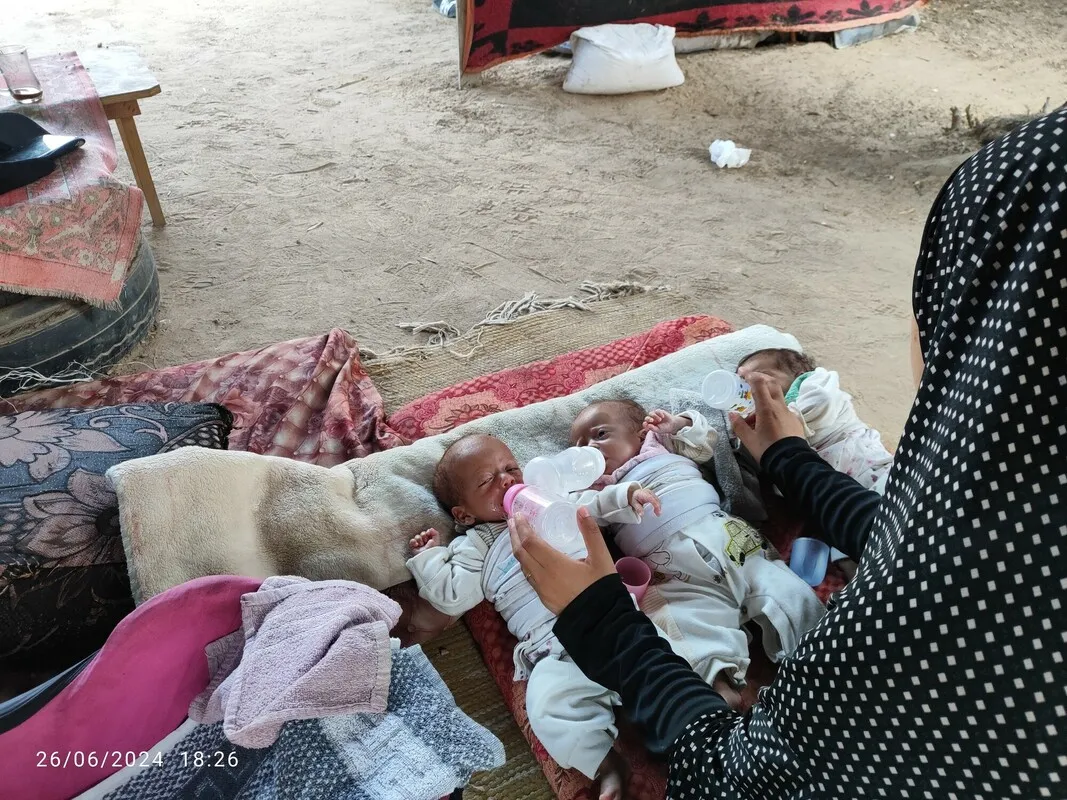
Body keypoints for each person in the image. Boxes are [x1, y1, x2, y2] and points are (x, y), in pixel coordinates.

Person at [507, 109, 1067, 799]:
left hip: (722, 560)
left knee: (770, 602)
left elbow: (736, 785)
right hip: (699, 557)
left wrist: (600, 618)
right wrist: (792, 463)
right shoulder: (1009, 544)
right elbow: (929, 541)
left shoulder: (943, 634)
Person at [406, 433, 653, 800]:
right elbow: (450, 594)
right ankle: (604, 762)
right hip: (552, 646)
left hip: (611, 617)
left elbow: (591, 506)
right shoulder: (477, 546)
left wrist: (627, 495)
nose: (506, 480)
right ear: (464, 514)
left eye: (510, 469)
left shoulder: (546, 496)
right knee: (546, 704)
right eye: (487, 480)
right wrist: (431, 557)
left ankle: (700, 696)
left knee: (667, 645)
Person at [568, 400, 824, 704]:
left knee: (788, 592)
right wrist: (623, 494)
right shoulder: (596, 488)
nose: (588, 450)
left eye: (598, 435)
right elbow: (582, 514)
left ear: (640, 432)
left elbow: (706, 444)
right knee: (677, 624)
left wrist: (679, 425)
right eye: (579, 447)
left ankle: (820, 652)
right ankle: (718, 686)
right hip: (676, 574)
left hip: (730, 542)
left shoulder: (660, 443)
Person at [737, 348, 895, 492]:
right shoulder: (753, 415)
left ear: (798, 375)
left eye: (760, 375)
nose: (751, 386)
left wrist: (790, 416)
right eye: (742, 382)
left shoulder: (814, 383)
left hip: (872, 468)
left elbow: (822, 401)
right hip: (829, 491)